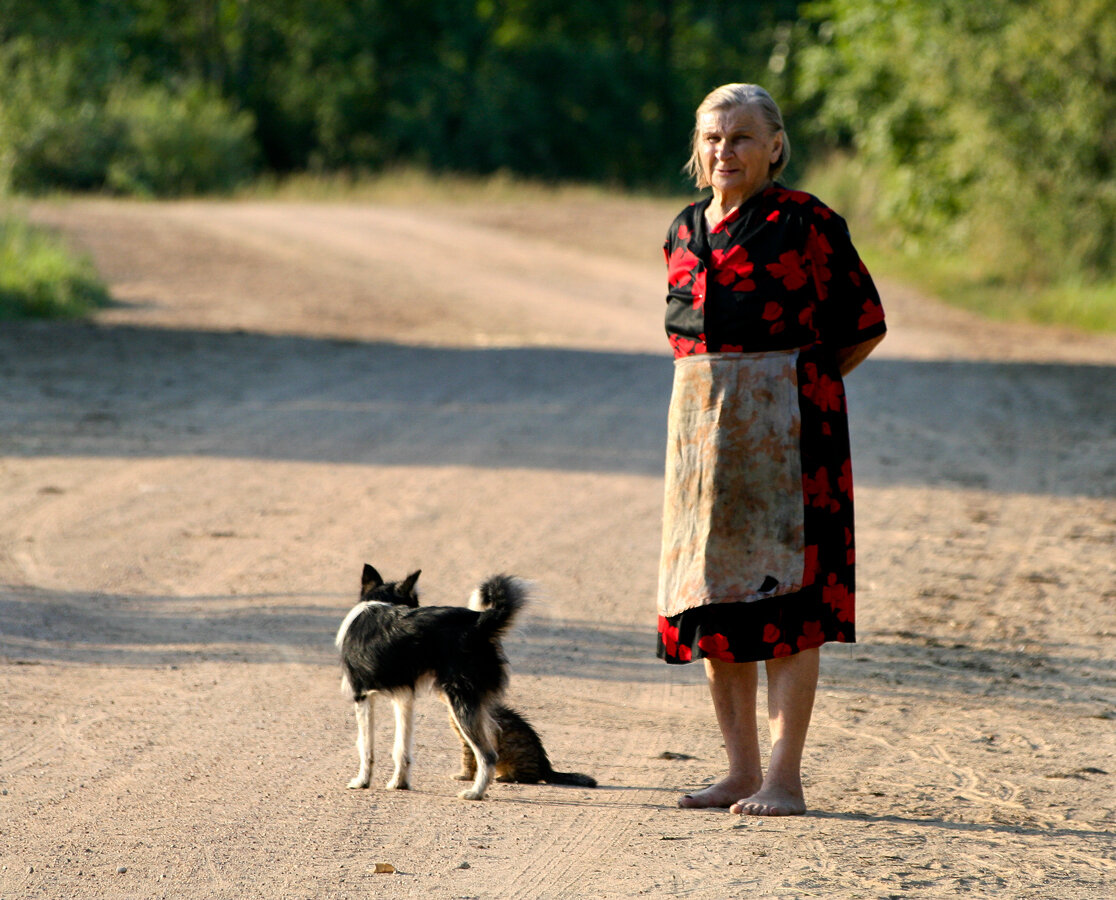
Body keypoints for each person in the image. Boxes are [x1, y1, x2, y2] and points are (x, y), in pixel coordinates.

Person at [656, 83, 886, 816]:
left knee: (791, 607)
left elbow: (864, 322)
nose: (726, 151)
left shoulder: (807, 223)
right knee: (713, 603)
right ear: (698, 146)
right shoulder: (683, 230)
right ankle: (739, 771)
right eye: (714, 138)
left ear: (775, 145)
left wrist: (791, 386)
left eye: (743, 137)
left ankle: (784, 780)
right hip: (702, 448)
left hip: (794, 434)